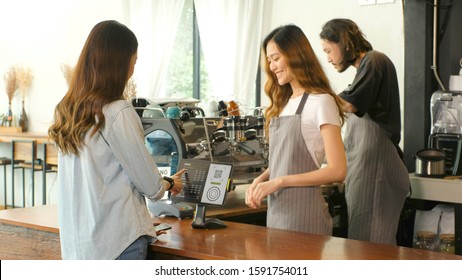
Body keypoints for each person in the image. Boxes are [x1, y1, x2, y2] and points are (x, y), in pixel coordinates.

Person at [48, 20, 185, 260]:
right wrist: (170, 183)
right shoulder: (118, 111)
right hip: (118, 244)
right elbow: (152, 187)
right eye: (133, 61)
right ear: (119, 64)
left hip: (78, 247)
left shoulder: (67, 110)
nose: (133, 68)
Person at [245, 24, 347, 235]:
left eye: (275, 58)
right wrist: (261, 179)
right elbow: (285, 161)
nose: (272, 67)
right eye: (269, 61)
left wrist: (279, 182)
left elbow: (338, 170)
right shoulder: (283, 105)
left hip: (305, 218)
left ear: (295, 55)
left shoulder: (322, 102)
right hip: (277, 214)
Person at [320, 18, 410, 245]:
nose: (328, 58)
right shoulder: (361, 74)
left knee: (370, 248)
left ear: (345, 42)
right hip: (370, 166)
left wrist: (315, 96)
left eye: (329, 50)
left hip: (378, 166)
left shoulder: (375, 60)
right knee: (365, 243)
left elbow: (349, 104)